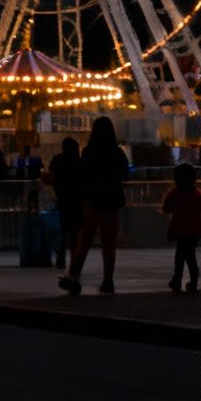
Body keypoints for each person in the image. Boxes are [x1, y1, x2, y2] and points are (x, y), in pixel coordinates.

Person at [61, 116, 128, 295]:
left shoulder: (89, 152)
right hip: (111, 200)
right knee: (108, 244)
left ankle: (73, 276)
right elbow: (124, 172)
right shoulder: (116, 152)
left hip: (94, 200)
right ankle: (108, 280)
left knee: (84, 241)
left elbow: (82, 174)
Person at [163, 163, 201, 293]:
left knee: (180, 256)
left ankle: (177, 279)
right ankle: (193, 281)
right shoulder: (196, 195)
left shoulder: (174, 194)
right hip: (194, 230)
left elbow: (166, 209)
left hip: (179, 229)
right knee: (191, 256)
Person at [46, 137, 82, 270]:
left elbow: (51, 177)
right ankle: (75, 260)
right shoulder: (78, 161)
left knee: (61, 230)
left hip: (62, 199)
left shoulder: (57, 160)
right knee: (75, 233)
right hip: (77, 201)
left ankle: (60, 258)